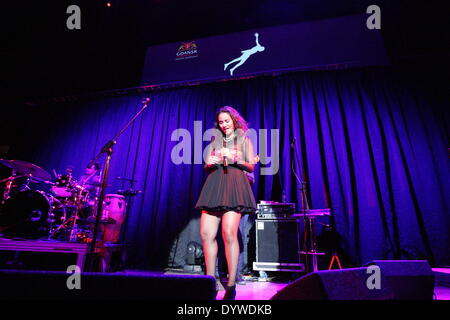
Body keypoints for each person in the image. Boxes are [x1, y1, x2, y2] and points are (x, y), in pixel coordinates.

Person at [196, 106, 257, 300]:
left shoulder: (244, 139)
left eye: (227, 121)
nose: (224, 125)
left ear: (234, 120)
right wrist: (210, 161)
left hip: (234, 184)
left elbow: (251, 165)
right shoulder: (216, 141)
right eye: (221, 122)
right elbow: (207, 166)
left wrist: (234, 157)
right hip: (214, 184)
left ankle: (231, 285)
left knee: (229, 232)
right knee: (206, 233)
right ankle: (210, 281)